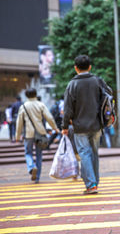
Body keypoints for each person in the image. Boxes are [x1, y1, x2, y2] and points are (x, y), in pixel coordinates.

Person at [62, 55, 107, 194]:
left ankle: (91, 184)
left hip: (79, 126)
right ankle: (95, 182)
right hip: (96, 124)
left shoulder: (72, 85)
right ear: (90, 67)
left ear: (76, 68)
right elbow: (108, 97)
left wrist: (64, 126)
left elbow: (68, 109)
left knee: (84, 154)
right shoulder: (97, 81)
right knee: (94, 153)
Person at [15, 88, 59, 183]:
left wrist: (17, 136)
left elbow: (19, 122)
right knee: (39, 155)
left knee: (28, 152)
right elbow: (49, 117)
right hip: (40, 133)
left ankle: (31, 166)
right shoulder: (41, 104)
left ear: (26, 95)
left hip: (28, 133)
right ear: (35, 94)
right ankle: (37, 178)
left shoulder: (23, 106)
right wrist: (55, 128)